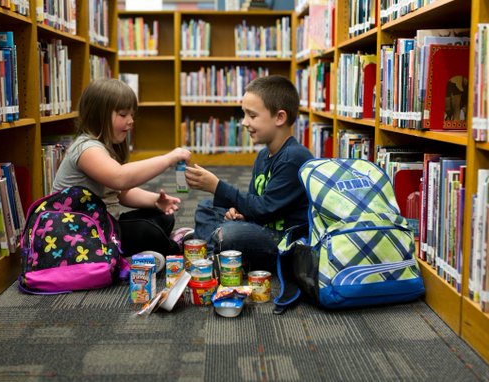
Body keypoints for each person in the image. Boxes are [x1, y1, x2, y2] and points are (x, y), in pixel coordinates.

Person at [51, 78, 191, 267]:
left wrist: (155, 201)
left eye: (132, 115)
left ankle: (145, 252)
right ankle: (173, 248)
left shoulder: (104, 147)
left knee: (163, 217)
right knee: (146, 231)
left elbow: (120, 193)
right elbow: (120, 179)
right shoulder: (86, 149)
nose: (131, 121)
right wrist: (168, 159)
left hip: (104, 225)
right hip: (80, 234)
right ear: (98, 114)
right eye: (123, 114)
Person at [185, 75, 313, 272]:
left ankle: (213, 259)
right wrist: (239, 214)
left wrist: (217, 186)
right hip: (262, 227)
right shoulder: (263, 155)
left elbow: (264, 209)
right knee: (207, 208)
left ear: (280, 117)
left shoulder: (294, 158)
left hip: (284, 241)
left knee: (230, 234)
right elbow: (253, 203)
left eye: (252, 116)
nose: (244, 122)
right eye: (244, 114)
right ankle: (219, 254)